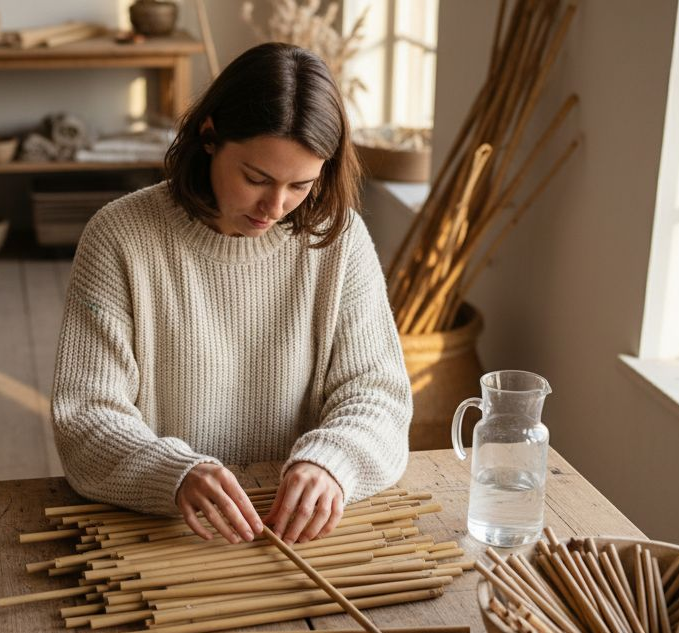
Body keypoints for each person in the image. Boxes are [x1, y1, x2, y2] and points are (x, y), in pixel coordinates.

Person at [52, 42, 412, 547]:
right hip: (165, 532)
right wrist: (173, 472)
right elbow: (86, 415)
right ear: (209, 137)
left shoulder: (339, 238)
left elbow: (379, 394)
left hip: (294, 538)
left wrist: (332, 461)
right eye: (256, 178)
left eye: (300, 185)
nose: (275, 206)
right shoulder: (119, 236)